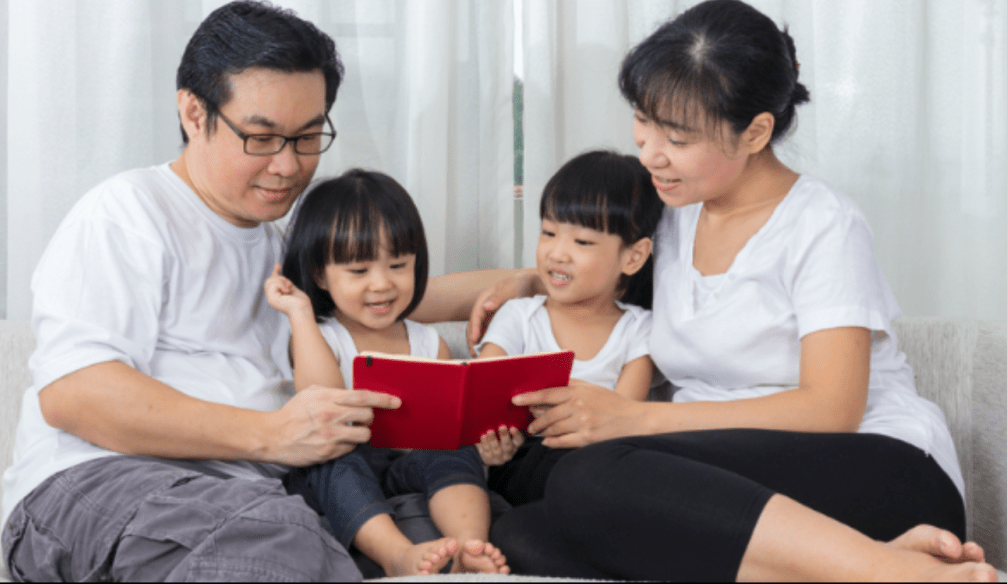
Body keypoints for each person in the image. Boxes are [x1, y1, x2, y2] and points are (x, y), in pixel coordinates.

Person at [464, 1, 999, 580]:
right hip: (727, 480)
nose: (650, 153)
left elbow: (833, 409)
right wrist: (520, 280)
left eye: (677, 137)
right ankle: (861, 561)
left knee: (589, 477)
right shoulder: (669, 212)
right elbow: (577, 262)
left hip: (879, 468)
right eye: (643, 120)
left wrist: (633, 419)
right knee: (521, 532)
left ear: (756, 132)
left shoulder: (823, 223)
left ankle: (895, 573)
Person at [0, 3, 399, 581]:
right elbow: (75, 394)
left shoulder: (284, 244)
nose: (288, 165)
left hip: (241, 497)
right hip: (96, 480)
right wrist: (274, 435)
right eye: (262, 137)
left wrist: (522, 282)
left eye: (309, 137)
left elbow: (387, 291)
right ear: (194, 112)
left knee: (412, 524)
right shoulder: (128, 211)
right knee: (275, 539)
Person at [264, 169, 511, 576]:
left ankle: (469, 545)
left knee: (455, 449)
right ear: (321, 275)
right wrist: (300, 313)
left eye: (398, 265)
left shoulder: (430, 344)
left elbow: (447, 430)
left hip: (404, 468)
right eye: (358, 271)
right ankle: (396, 555)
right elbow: (321, 400)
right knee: (331, 456)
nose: (381, 284)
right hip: (339, 470)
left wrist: (485, 447)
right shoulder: (320, 337)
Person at [476, 150, 662, 506]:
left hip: (600, 458)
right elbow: (482, 399)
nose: (557, 254)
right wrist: (493, 444)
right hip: (526, 460)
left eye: (582, 242)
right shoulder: (519, 316)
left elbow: (623, 418)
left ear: (633, 256)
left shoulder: (639, 330)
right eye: (548, 233)